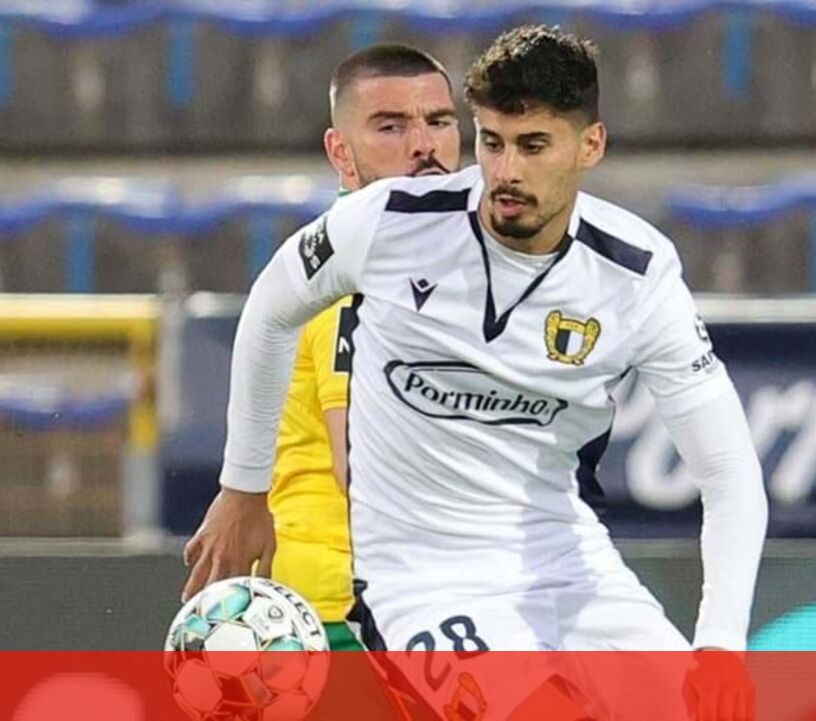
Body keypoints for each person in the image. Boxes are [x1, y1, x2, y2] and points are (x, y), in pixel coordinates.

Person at [183, 25, 766, 720]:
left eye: (533, 145)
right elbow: (271, 309)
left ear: (591, 146)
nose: (506, 171)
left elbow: (728, 470)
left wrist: (721, 644)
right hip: (422, 581)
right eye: (492, 142)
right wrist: (244, 487)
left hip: (570, 564)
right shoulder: (388, 224)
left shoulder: (637, 271)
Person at [183, 42, 460, 720]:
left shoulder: (432, 264)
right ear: (341, 152)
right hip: (350, 616)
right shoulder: (352, 278)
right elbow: (358, 462)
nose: (424, 146)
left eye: (440, 121)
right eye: (391, 126)